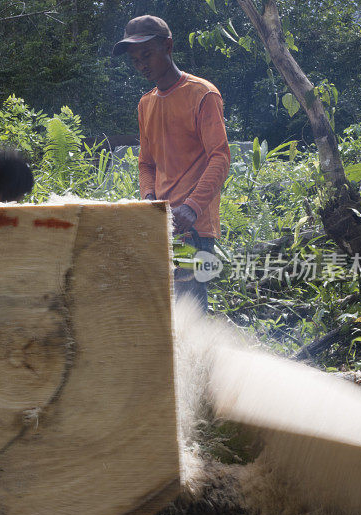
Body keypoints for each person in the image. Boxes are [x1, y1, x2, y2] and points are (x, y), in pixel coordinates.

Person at [112, 15, 231, 312]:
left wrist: (192, 207)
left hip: (193, 228)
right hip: (160, 223)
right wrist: (149, 201)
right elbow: (146, 164)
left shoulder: (202, 94)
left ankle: (200, 361)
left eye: (147, 54)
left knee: (188, 313)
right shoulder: (146, 103)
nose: (141, 64)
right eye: (135, 59)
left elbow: (220, 156)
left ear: (168, 46)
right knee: (162, 313)